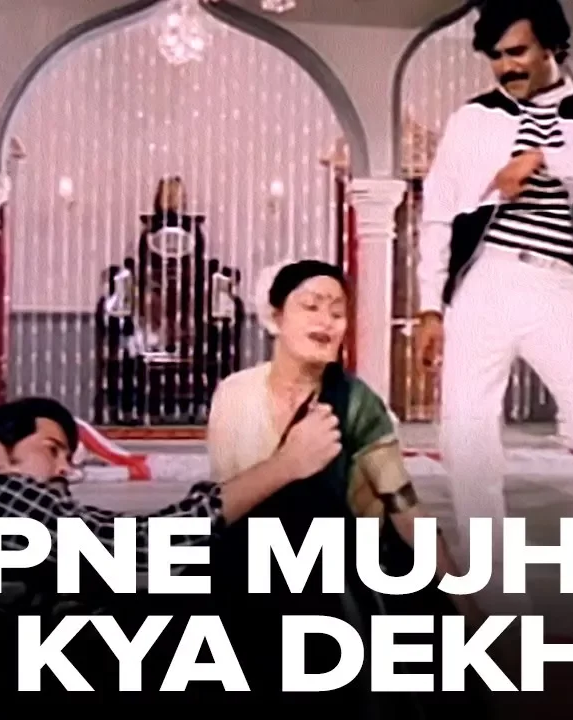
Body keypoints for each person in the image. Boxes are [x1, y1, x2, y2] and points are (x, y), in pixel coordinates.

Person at [413, 0, 573, 618]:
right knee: (466, 435)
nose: (506, 67)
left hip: (559, 289)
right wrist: (429, 308)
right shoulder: (473, 120)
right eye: (496, 56)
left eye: (517, 51)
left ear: (553, 46)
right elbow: (439, 212)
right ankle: (497, 596)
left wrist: (548, 157)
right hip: (484, 282)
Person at [0, 396, 338, 711]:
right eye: (51, 450)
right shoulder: (5, 499)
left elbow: (121, 544)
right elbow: (141, 546)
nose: (65, 469)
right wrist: (284, 465)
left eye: (68, 457)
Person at [206, 260, 481, 716]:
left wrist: (466, 604)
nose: (326, 321)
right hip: (259, 567)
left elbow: (405, 510)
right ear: (276, 316)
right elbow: (226, 502)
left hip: (347, 572)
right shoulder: (235, 396)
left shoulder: (355, 402)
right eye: (311, 306)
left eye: (337, 311)